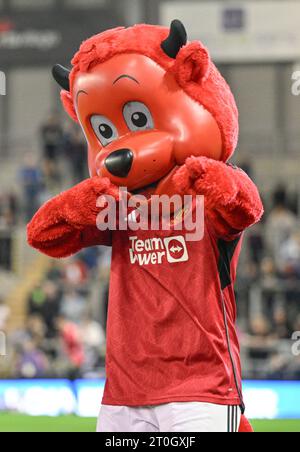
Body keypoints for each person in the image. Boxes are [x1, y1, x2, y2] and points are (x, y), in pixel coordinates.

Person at [28, 20, 263, 433]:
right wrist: (86, 200)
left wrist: (205, 172)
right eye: (104, 131)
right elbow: (42, 233)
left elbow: (245, 205)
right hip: (123, 395)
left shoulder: (206, 201)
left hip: (201, 390)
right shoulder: (120, 211)